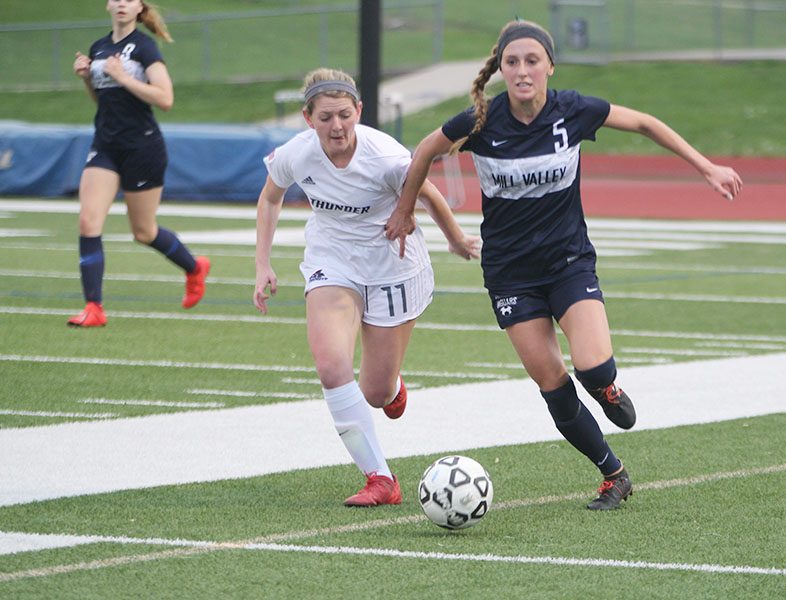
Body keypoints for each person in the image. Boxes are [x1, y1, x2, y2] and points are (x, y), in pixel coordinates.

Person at [386, 20, 742, 510]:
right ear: (501, 70)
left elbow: (644, 123)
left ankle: (607, 387)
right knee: (552, 383)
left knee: (594, 367)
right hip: (510, 274)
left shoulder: (572, 110)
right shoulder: (479, 121)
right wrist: (404, 210)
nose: (522, 70)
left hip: (568, 262)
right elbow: (424, 151)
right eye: (512, 62)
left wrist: (707, 167)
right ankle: (613, 475)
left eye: (532, 61)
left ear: (550, 66)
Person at [253, 68, 480, 507]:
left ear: (358, 111)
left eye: (343, 115)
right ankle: (380, 478)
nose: (335, 126)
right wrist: (262, 262)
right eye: (324, 118)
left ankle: (392, 388)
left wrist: (454, 239)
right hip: (332, 261)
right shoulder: (297, 154)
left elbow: (429, 193)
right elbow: (270, 196)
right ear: (307, 118)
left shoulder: (384, 156)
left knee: (375, 392)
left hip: (391, 265)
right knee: (331, 366)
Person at [68, 0, 210, 327]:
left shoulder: (145, 47)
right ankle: (94, 308)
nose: (121, 4)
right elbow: (103, 99)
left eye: (129, 0)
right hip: (105, 145)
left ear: (139, 8)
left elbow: (165, 98)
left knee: (144, 232)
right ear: (108, 5)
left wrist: (122, 76)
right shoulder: (99, 47)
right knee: (88, 222)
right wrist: (88, 78)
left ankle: (194, 267)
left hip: (142, 147)